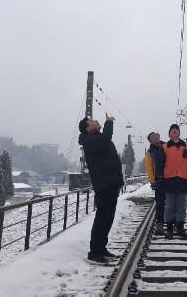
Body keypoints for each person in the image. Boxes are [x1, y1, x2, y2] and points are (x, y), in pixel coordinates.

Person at [78, 113, 124, 265]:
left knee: (108, 218)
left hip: (110, 183)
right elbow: (106, 138)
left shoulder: (95, 138)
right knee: (102, 219)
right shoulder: (89, 140)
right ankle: (94, 253)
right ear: (87, 128)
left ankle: (102, 249)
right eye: (91, 121)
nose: (95, 120)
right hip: (103, 185)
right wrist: (109, 122)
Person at [155, 124, 187, 240]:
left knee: (181, 206)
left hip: (182, 180)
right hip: (169, 180)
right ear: (169, 134)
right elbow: (159, 165)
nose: (174, 132)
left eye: (176, 130)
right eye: (172, 130)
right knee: (169, 206)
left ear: (179, 133)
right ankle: (169, 229)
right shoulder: (164, 147)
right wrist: (159, 177)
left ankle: (180, 228)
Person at [145, 131, 166, 235]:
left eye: (157, 135)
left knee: (172, 203)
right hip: (159, 181)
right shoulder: (149, 153)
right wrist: (153, 181)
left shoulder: (167, 146)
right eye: (153, 137)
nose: (156, 137)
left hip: (170, 179)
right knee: (160, 204)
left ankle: (174, 223)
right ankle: (160, 224)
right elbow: (149, 169)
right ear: (150, 140)